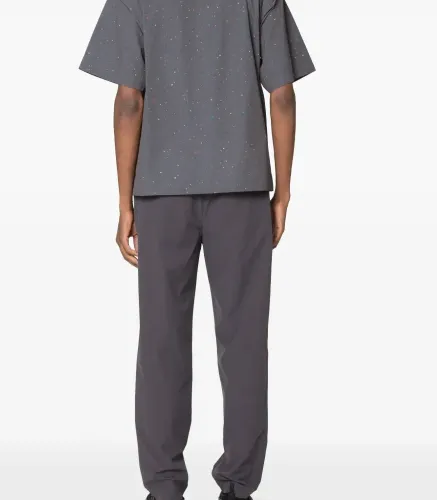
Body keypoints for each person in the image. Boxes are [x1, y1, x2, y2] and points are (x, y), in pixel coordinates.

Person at [79, 0, 314, 498]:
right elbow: (283, 94)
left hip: (160, 191)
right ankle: (239, 485)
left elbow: (128, 100)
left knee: (160, 341)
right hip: (243, 189)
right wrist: (284, 192)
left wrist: (123, 201)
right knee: (245, 342)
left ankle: (163, 487)